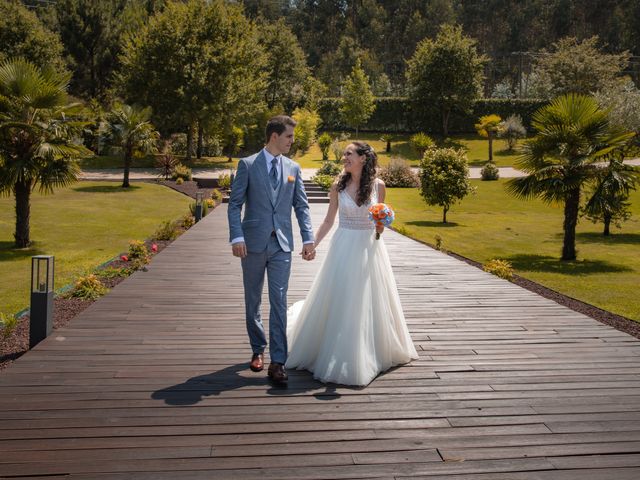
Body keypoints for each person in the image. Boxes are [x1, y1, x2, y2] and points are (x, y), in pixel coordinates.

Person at [286, 141, 418, 386]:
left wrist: (381, 224)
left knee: (368, 298)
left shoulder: (379, 186)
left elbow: (380, 225)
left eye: (349, 154)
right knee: (342, 297)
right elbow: (328, 221)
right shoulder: (337, 186)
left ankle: (370, 351)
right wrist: (312, 243)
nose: (344, 157)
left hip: (370, 248)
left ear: (363, 159)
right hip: (344, 246)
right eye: (344, 154)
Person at [227, 115, 315, 385]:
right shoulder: (248, 165)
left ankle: (278, 361)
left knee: (278, 299)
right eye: (289, 136)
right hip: (252, 243)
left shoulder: (293, 168)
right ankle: (258, 349)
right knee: (253, 298)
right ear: (274, 136)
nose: (292, 141)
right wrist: (236, 236)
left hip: (282, 245)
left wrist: (308, 238)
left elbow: (301, 205)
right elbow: (234, 205)